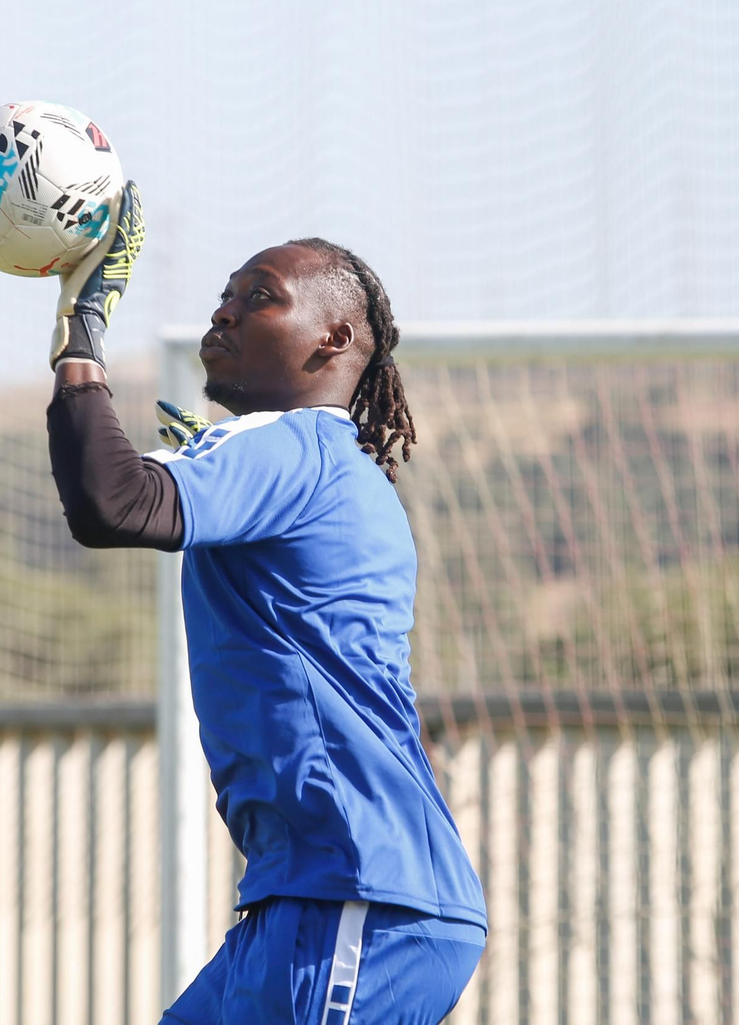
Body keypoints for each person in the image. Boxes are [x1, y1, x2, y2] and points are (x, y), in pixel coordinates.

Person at [46, 182, 486, 1024]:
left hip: (356, 895)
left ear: (335, 338)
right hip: (303, 900)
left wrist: (84, 329)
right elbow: (124, 494)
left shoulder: (291, 444)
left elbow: (113, 503)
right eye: (223, 297)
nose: (226, 313)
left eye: (260, 298)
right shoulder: (317, 462)